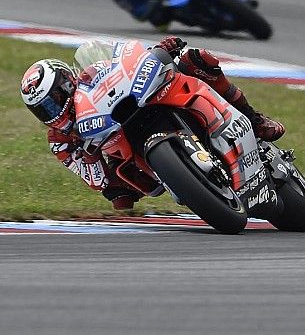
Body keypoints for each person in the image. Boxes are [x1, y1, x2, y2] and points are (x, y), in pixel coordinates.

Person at [20, 36, 284, 211]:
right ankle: (188, 179)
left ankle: (254, 119)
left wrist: (158, 51)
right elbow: (94, 178)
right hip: (123, 150)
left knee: (196, 60)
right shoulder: (60, 140)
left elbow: (125, 64)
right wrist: (92, 159)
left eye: (54, 100)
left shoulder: (91, 74)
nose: (53, 111)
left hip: (141, 100)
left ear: (68, 82)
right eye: (43, 109)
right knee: (119, 194)